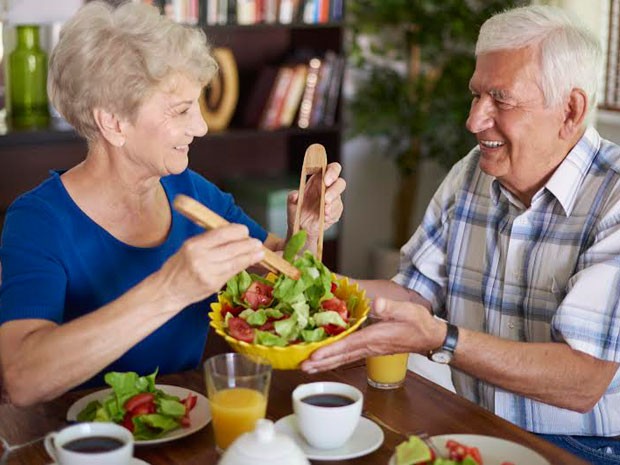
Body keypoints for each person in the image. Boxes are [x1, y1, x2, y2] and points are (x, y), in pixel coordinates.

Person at [302, 5, 620, 463]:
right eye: (476, 95)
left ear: (570, 110)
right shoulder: (472, 173)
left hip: (586, 448)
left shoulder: (614, 197)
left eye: (500, 99)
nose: (474, 120)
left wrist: (442, 338)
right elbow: (411, 296)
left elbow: (583, 382)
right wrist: (305, 275)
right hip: (477, 424)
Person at [0, 1, 345, 407]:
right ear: (113, 122)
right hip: (81, 441)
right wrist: (171, 289)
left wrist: (304, 232)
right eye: (181, 110)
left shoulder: (192, 190)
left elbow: (282, 280)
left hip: (184, 423)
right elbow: (22, 379)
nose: (199, 127)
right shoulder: (39, 221)